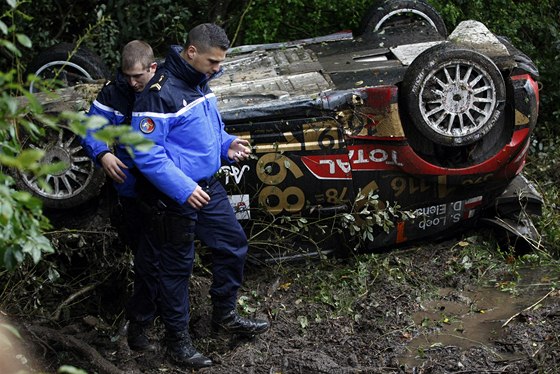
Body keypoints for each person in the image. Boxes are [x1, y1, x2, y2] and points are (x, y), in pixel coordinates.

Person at [129, 24, 269, 368]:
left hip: (209, 187)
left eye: (220, 62)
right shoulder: (157, 93)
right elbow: (146, 153)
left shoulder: (200, 82)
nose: (217, 68)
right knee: (176, 269)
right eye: (212, 61)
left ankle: (224, 314)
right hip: (174, 198)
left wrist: (227, 144)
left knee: (233, 245)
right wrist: (182, 187)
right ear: (191, 52)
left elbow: (210, 132)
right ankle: (178, 342)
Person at [81, 40, 159, 352]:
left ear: (152, 68)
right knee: (145, 259)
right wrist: (102, 154)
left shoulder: (167, 87)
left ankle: (160, 322)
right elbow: (90, 128)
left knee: (160, 259)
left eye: (138, 76)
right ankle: (140, 328)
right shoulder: (115, 91)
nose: (132, 82)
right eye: (127, 75)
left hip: (167, 187)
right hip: (129, 192)